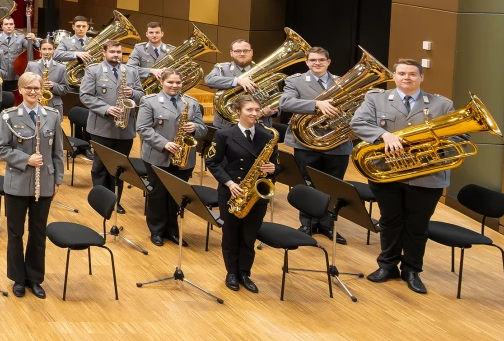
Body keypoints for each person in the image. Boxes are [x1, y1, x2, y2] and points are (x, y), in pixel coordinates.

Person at [350, 59, 455, 295]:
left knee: (417, 225)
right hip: (386, 173)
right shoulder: (375, 99)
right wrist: (384, 135)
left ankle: (412, 271)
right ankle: (387, 266)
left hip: (426, 176)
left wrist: (430, 145)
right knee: (389, 221)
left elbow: (460, 138)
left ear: (421, 77)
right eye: (401, 73)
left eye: (412, 74)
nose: (406, 77)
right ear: (394, 76)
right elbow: (357, 122)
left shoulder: (442, 104)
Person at [0, 72, 63, 298]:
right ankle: (18, 278)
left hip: (44, 182)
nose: (33, 92)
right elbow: (1, 148)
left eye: (36, 88)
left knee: (38, 232)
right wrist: (26, 160)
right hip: (17, 182)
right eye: (28, 88)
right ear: (20, 90)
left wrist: (58, 181)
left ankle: (35, 278)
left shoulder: (52, 116)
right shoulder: (9, 116)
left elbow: (57, 152)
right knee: (15, 232)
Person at [206, 94, 278, 293]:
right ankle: (231, 273)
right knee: (230, 234)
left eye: (257, 110)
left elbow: (276, 165)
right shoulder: (224, 135)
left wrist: (274, 168)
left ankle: (245, 273)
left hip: (256, 193)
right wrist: (229, 183)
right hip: (232, 191)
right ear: (238, 112)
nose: (254, 114)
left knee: (249, 235)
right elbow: (212, 162)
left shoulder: (268, 135)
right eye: (249, 110)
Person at [280, 46, 349, 243]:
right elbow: (285, 103)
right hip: (306, 142)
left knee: (333, 185)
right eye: (312, 60)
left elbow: (358, 107)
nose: (316, 63)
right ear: (306, 62)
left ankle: (328, 225)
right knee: (307, 183)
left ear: (329, 62)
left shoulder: (342, 82)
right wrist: (317, 104)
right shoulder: (296, 81)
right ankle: (307, 223)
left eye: (321, 60)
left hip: (337, 142)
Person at [135, 69, 202, 246]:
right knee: (158, 194)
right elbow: (142, 128)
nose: (174, 86)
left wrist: (194, 127)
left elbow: (203, 129)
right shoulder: (149, 101)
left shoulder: (192, 103)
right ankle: (156, 230)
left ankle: (173, 230)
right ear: (161, 83)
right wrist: (164, 143)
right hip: (158, 155)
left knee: (177, 195)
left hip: (184, 158)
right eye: (170, 82)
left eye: (178, 83)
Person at [79, 39, 141, 206]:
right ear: (104, 53)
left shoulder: (131, 71)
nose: (116, 55)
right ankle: (100, 201)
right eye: (113, 52)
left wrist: (133, 93)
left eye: (119, 52)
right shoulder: (94, 70)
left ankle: (115, 202)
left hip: (125, 128)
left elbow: (142, 94)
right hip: (102, 126)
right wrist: (106, 108)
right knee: (100, 166)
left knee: (120, 168)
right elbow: (85, 96)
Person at [204, 39, 278, 119]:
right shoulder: (222, 68)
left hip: (259, 122)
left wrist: (273, 111)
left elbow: (277, 97)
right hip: (228, 123)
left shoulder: (264, 71)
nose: (242, 54)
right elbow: (209, 80)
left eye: (245, 51)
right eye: (237, 51)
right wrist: (237, 81)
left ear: (251, 52)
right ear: (231, 53)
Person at [24, 38, 71, 104]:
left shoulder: (61, 67)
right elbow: (23, 85)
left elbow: (65, 90)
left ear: (54, 50)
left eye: (50, 49)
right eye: (44, 49)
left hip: (54, 105)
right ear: (40, 50)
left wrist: (54, 86)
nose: (47, 52)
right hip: (34, 103)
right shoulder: (31, 65)